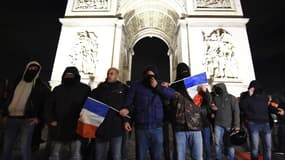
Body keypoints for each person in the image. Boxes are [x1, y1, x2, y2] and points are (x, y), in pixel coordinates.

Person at [119, 65, 175, 160]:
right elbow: (128, 103)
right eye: (148, 76)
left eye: (152, 76)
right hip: (141, 128)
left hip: (157, 127)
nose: (150, 78)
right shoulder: (136, 86)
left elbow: (171, 95)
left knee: (157, 156)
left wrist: (157, 86)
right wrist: (126, 120)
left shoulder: (161, 84)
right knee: (141, 156)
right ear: (144, 75)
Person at [0, 61, 50, 160]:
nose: (32, 70)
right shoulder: (16, 82)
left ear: (39, 71)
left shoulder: (41, 86)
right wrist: (5, 114)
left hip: (28, 120)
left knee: (24, 147)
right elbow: (8, 98)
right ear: (26, 68)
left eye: (35, 69)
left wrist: (39, 118)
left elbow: (45, 105)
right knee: (7, 146)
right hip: (11, 118)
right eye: (31, 68)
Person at [45, 66, 91, 160]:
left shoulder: (85, 89)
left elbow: (89, 107)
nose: (69, 76)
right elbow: (48, 106)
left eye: (71, 75)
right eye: (67, 75)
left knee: (76, 155)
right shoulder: (58, 89)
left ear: (76, 76)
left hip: (76, 127)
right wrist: (51, 120)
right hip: (59, 127)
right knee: (55, 155)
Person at [90, 67, 128, 160]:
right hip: (101, 126)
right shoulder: (99, 89)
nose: (109, 75)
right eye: (108, 73)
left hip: (116, 126)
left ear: (117, 75)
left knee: (116, 156)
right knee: (99, 155)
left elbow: (128, 105)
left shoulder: (124, 89)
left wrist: (126, 120)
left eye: (112, 74)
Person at [170, 62, 203, 160]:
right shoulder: (172, 87)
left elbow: (208, 102)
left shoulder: (196, 86)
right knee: (180, 157)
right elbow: (169, 106)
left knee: (198, 157)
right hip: (180, 127)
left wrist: (205, 91)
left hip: (195, 127)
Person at [239, 80, 272, 160]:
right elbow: (242, 107)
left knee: (268, 146)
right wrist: (249, 96)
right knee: (255, 147)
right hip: (254, 124)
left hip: (265, 124)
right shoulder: (246, 96)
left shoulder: (265, 97)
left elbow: (268, 107)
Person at [211, 83, 240, 160]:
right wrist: (212, 109)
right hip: (218, 124)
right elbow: (213, 109)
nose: (217, 90)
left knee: (229, 144)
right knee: (218, 143)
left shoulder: (232, 98)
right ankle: (218, 158)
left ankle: (231, 158)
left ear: (223, 88)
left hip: (229, 125)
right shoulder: (216, 98)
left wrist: (237, 125)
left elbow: (236, 112)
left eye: (218, 88)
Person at [193, 85, 213, 160]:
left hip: (205, 125)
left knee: (206, 144)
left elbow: (209, 99)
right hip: (195, 125)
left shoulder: (205, 97)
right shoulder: (193, 97)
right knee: (197, 145)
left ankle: (208, 158)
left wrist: (206, 91)